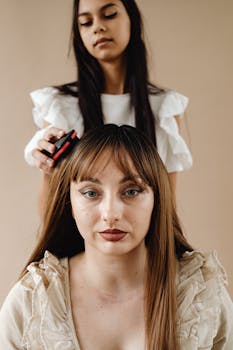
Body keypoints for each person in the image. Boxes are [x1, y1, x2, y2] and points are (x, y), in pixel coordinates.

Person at [1, 124, 232, 349]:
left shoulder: (201, 296)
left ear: (157, 199)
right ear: (69, 201)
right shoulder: (33, 300)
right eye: (91, 193)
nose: (111, 214)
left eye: (132, 191)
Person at [24, 0, 192, 200]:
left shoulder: (164, 108)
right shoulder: (60, 105)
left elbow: (167, 205)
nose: (98, 27)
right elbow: (51, 207)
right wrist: (48, 165)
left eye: (110, 14)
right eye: (86, 22)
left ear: (132, 19)